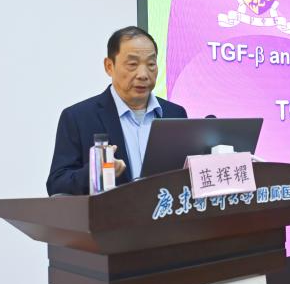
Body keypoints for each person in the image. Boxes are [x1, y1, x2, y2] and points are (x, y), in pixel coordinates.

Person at [46, 26, 187, 195]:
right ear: (109, 66)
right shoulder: (79, 118)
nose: (143, 74)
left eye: (151, 64)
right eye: (132, 64)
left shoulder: (175, 114)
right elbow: (57, 184)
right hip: (110, 212)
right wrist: (95, 172)